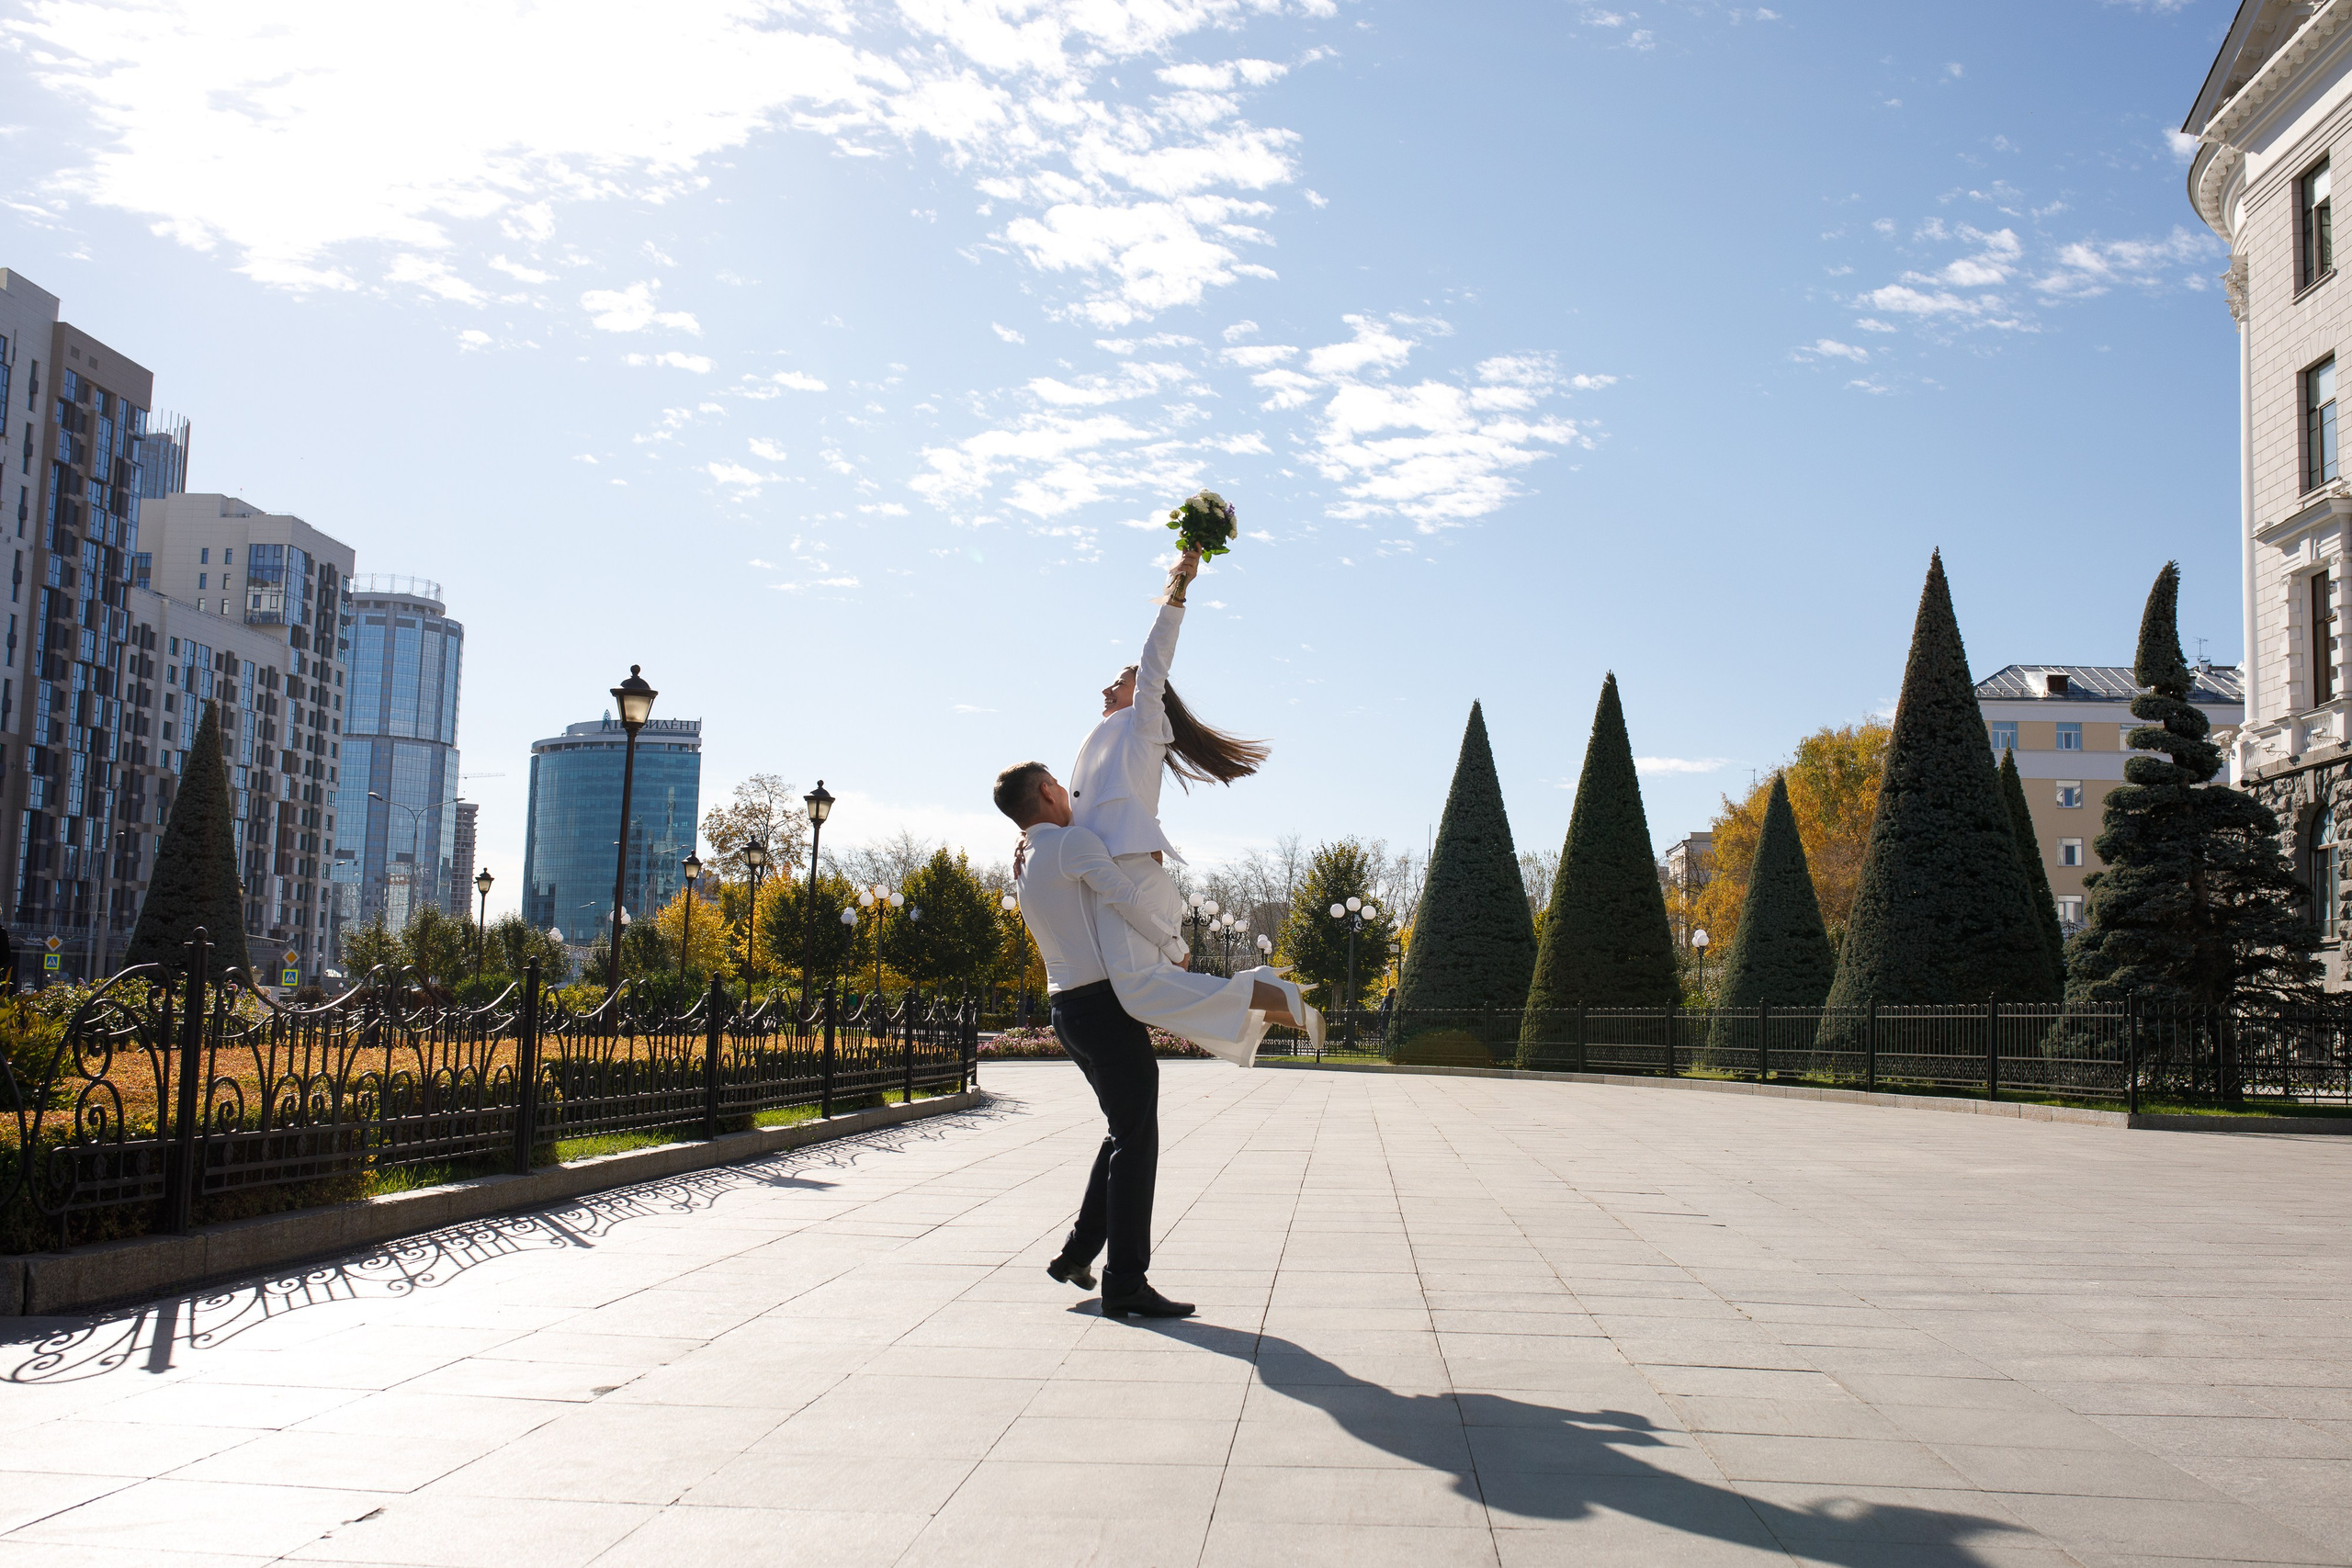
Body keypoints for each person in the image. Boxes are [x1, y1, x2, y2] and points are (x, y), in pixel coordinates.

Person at [996, 759, 1313, 1319]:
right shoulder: (1071, 845)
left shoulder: (1028, 857)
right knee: (1136, 1143)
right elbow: (1122, 893)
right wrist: (1173, 945)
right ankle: (1125, 1281)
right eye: (1061, 786)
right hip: (1101, 1008)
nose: (1069, 793)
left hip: (1067, 1009)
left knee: (1124, 1132)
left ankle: (1077, 1255)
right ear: (1046, 790)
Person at [1066, 545, 1320, 1057]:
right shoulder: (1110, 741)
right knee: (1138, 991)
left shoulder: (1141, 726)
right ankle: (1264, 993)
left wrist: (1176, 592)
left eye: (1119, 681)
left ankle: (1264, 994)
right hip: (1124, 873)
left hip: (1129, 873)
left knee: (1138, 991)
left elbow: (1154, 661)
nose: (1107, 688)